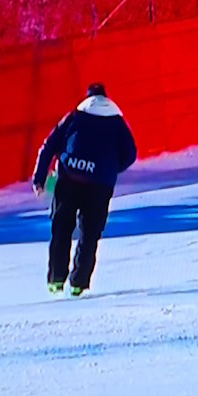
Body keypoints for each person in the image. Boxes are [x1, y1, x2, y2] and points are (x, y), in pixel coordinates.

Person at [32, 83, 137, 296]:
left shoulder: (74, 117)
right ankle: (79, 283)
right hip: (100, 185)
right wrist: (110, 168)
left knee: (61, 229)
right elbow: (130, 154)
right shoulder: (117, 122)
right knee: (89, 235)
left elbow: (48, 146)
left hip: (70, 177)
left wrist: (39, 178)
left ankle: (56, 280)